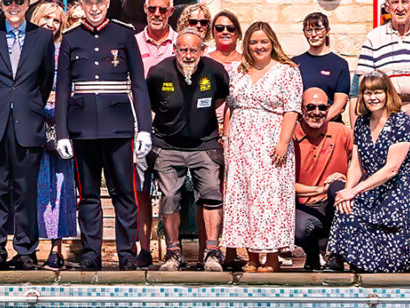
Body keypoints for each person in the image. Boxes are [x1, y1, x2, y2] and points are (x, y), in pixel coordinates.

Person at [53, 0, 153, 270]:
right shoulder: (71, 39)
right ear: (81, 5)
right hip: (82, 127)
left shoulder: (124, 36)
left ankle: (126, 252)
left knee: (125, 192)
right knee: (89, 195)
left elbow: (137, 84)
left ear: (108, 2)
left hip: (119, 126)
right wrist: (62, 132)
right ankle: (91, 252)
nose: (94, 7)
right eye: (88, 2)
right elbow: (62, 90)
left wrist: (144, 127)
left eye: (99, 1)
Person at [0, 0, 56, 270]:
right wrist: (1, 103)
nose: (13, 7)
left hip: (28, 122)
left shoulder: (42, 38)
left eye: (19, 2)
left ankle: (25, 250)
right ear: (1, 6)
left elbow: (45, 81)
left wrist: (27, 104)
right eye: (8, 2)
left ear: (27, 4)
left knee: (25, 190)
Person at [220, 22, 300, 272]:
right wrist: (226, 138)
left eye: (264, 41)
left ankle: (273, 257)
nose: (259, 46)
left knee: (270, 198)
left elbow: (292, 109)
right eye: (253, 42)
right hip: (241, 146)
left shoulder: (287, 71)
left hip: (270, 143)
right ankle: (252, 256)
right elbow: (230, 107)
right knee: (244, 197)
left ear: (272, 42)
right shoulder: (238, 71)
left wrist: (283, 143)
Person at [147, 31, 229, 271]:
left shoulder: (215, 71)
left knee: (212, 193)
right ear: (175, 49)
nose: (189, 55)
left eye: (194, 50)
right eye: (183, 50)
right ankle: (173, 253)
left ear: (202, 50)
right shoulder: (159, 72)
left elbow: (221, 98)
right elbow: (151, 103)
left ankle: (212, 252)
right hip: (167, 144)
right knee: (170, 196)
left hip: (205, 143)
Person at [334, 74, 410, 273]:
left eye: (378, 92)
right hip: (369, 191)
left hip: (399, 193)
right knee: (344, 210)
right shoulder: (362, 123)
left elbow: (392, 168)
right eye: (367, 93)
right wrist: (346, 194)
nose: (373, 97)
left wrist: (354, 191)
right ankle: (336, 258)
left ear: (387, 94)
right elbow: (356, 165)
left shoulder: (401, 121)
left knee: (391, 266)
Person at [29, 0, 80, 267]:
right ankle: (27, 248)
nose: (51, 23)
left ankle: (56, 249)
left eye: (57, 20)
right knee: (30, 188)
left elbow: (74, 83)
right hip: (30, 124)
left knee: (59, 187)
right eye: (47, 17)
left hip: (59, 125)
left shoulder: (65, 49)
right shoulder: (24, 45)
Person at [290, 87, 355, 271]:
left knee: (338, 189)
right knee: (299, 228)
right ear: (301, 109)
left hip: (334, 203)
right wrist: (321, 189)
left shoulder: (340, 131)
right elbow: (284, 184)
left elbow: (361, 161)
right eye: (310, 107)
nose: (316, 113)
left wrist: (346, 178)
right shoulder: (291, 136)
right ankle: (312, 254)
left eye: (322, 108)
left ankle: (337, 255)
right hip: (304, 204)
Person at [292, 11, 352, 120]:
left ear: (327, 31)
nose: (314, 34)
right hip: (301, 127)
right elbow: (290, 100)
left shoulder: (340, 64)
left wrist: (318, 122)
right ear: (304, 33)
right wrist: (305, 123)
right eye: (309, 30)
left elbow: (340, 103)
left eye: (318, 29)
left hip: (330, 126)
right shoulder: (294, 63)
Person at [137, 0, 180, 71]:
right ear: (145, 8)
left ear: (171, 11)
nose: (157, 14)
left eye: (162, 10)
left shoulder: (181, 42)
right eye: (152, 9)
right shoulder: (134, 42)